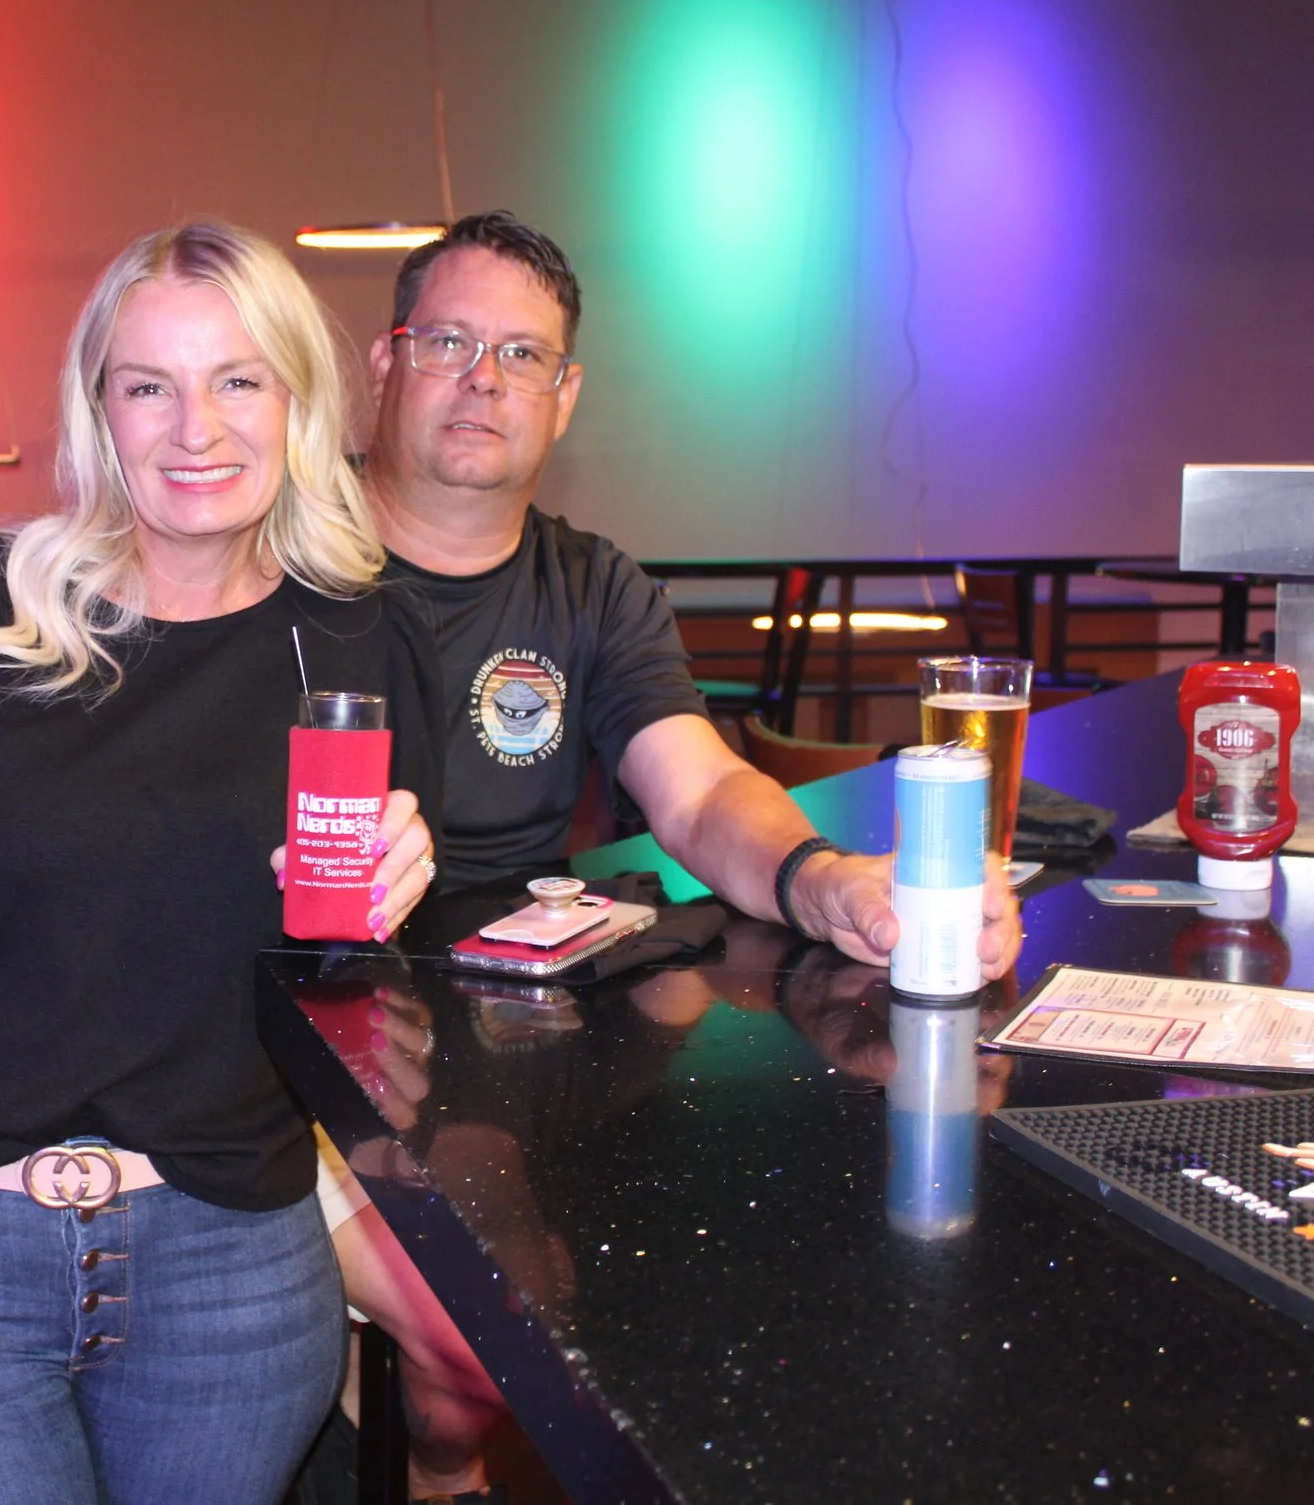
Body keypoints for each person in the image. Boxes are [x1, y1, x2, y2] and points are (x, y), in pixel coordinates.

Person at [320, 212, 1023, 1502]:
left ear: (565, 394)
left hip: (495, 1033)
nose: (485, 379)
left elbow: (698, 790)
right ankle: (422, 1433)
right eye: (452, 342)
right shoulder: (283, 560)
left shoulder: (592, 586)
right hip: (301, 1031)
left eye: (522, 355)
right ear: (386, 359)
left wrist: (827, 878)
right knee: (486, 1321)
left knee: (654, 1275)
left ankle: (426, 1428)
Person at [0, 220, 447, 1505]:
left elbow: (324, 963)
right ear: (98, 409)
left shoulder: (355, 641)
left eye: (239, 379)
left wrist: (385, 895)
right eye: (150, 385)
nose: (196, 426)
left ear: (298, 397)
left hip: (229, 1259)